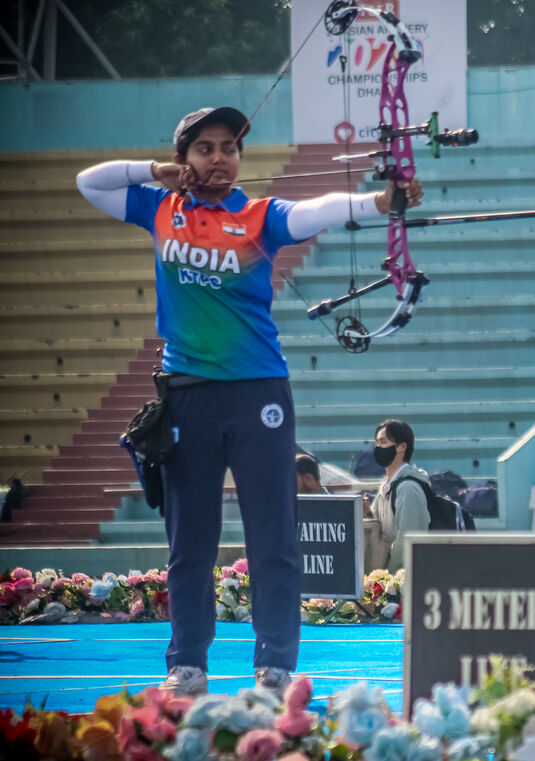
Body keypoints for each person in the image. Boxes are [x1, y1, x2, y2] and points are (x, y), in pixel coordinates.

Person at [76, 106, 423, 697]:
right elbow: (91, 182)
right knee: (192, 543)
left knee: (273, 539)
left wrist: (377, 204)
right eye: (205, 148)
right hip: (186, 396)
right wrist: (154, 172)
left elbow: (319, 211)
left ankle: (276, 667)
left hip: (259, 392)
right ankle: (186, 665)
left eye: (229, 148)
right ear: (185, 157)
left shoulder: (260, 215)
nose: (219, 158)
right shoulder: (158, 207)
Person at [369, 419, 431, 570]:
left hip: (407, 582)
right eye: (376, 442)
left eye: (383, 442)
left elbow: (408, 543)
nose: (378, 447)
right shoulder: (385, 487)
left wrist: (388, 578)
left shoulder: (407, 489)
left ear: (402, 446)